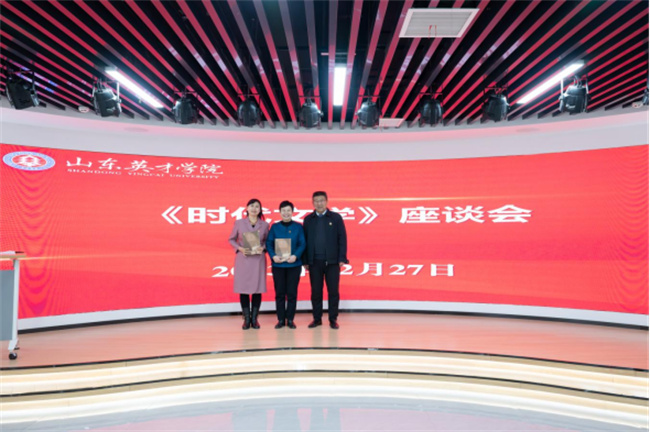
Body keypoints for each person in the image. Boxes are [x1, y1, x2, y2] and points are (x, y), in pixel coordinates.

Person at [302, 191, 348, 329]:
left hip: (332, 262)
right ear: (312, 203)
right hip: (314, 262)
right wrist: (305, 260)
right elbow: (304, 241)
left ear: (327, 201)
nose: (319, 203)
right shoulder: (308, 219)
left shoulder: (336, 218)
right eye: (316, 201)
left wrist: (342, 258)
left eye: (321, 200)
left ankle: (333, 319)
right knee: (316, 292)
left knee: (333, 291)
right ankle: (317, 319)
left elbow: (342, 239)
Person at [228, 198, 269, 330]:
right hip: (243, 259)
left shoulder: (265, 225)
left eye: (257, 206)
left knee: (257, 289)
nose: (254, 209)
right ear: (246, 208)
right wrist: (239, 248)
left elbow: (268, 241)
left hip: (258, 260)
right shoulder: (239, 223)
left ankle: (254, 319)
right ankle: (246, 319)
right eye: (252, 206)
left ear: (260, 210)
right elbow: (231, 239)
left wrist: (263, 248)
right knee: (243, 290)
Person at [266, 201, 306, 329]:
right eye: (283, 210)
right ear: (280, 212)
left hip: (294, 265)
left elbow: (302, 243)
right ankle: (281, 319)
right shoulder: (274, 227)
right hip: (278, 266)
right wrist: (273, 256)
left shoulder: (298, 227)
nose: (286, 213)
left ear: (292, 212)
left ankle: (290, 319)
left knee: (292, 293)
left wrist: (296, 256)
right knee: (280, 293)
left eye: (288, 210)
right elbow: (269, 243)